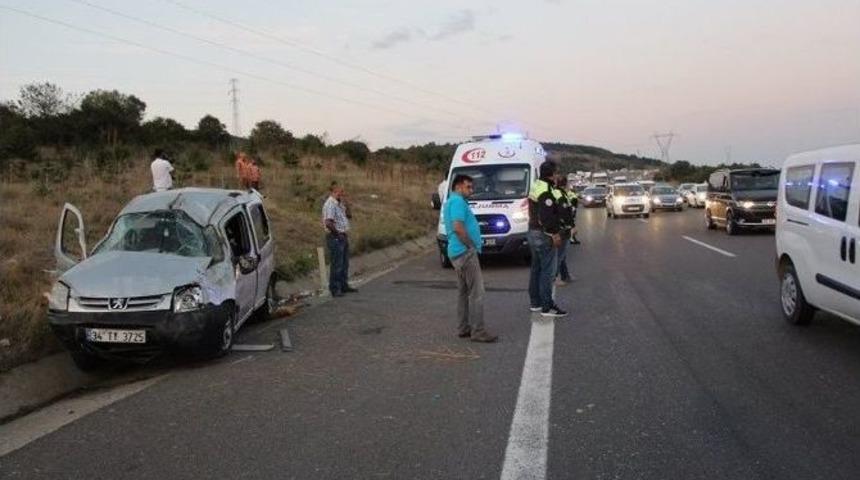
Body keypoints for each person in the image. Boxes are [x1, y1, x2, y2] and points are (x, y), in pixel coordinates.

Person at [443, 174, 498, 342]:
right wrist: (471, 246)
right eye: (468, 187)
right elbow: (458, 227)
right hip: (464, 252)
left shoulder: (451, 202)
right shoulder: (458, 202)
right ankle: (478, 331)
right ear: (458, 187)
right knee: (477, 293)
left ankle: (463, 328)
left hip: (456, 252)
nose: (471, 190)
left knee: (463, 292)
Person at [527, 161, 568, 317]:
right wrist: (554, 234)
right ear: (552, 174)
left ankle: (535, 303)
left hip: (532, 231)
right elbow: (546, 217)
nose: (558, 176)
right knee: (547, 272)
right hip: (543, 234)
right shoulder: (546, 191)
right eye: (556, 173)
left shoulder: (536, 185)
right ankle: (547, 306)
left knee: (536, 269)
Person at [322, 182, 357, 297]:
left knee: (344, 263)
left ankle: (343, 285)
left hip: (343, 234)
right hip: (336, 236)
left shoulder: (339, 204)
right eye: (341, 191)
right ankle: (335, 288)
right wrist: (337, 234)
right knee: (337, 264)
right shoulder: (330, 204)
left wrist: (347, 205)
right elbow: (328, 222)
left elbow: (349, 216)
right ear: (335, 191)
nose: (343, 193)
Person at [554, 178, 576, 285]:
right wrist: (571, 226)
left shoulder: (561, 193)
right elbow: (564, 212)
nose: (569, 186)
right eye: (568, 184)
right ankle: (554, 277)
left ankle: (565, 275)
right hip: (562, 228)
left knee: (562, 255)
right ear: (564, 185)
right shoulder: (560, 195)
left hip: (561, 227)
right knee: (560, 255)